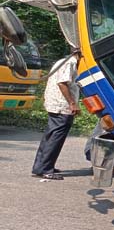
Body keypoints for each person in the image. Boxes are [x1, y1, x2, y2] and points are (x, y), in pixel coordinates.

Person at [31, 48, 81, 180]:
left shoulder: (62, 61)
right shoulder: (69, 63)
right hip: (61, 106)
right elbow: (62, 83)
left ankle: (42, 166)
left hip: (56, 104)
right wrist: (72, 103)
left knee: (50, 136)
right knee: (55, 138)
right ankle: (45, 169)